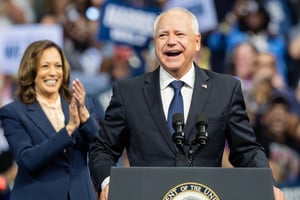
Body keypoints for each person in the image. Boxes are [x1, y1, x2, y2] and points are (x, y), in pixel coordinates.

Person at [88, 7, 286, 200]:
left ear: (197, 42)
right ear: (155, 42)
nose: (171, 42)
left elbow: (247, 151)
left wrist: (267, 184)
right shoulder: (128, 92)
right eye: (163, 35)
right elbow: (102, 149)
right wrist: (107, 182)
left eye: (180, 34)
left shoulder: (225, 89)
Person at [0, 40, 99, 200]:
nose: (53, 73)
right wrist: (68, 130)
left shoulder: (81, 103)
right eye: (45, 66)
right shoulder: (13, 112)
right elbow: (27, 160)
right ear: (31, 70)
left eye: (58, 66)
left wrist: (86, 118)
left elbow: (100, 148)